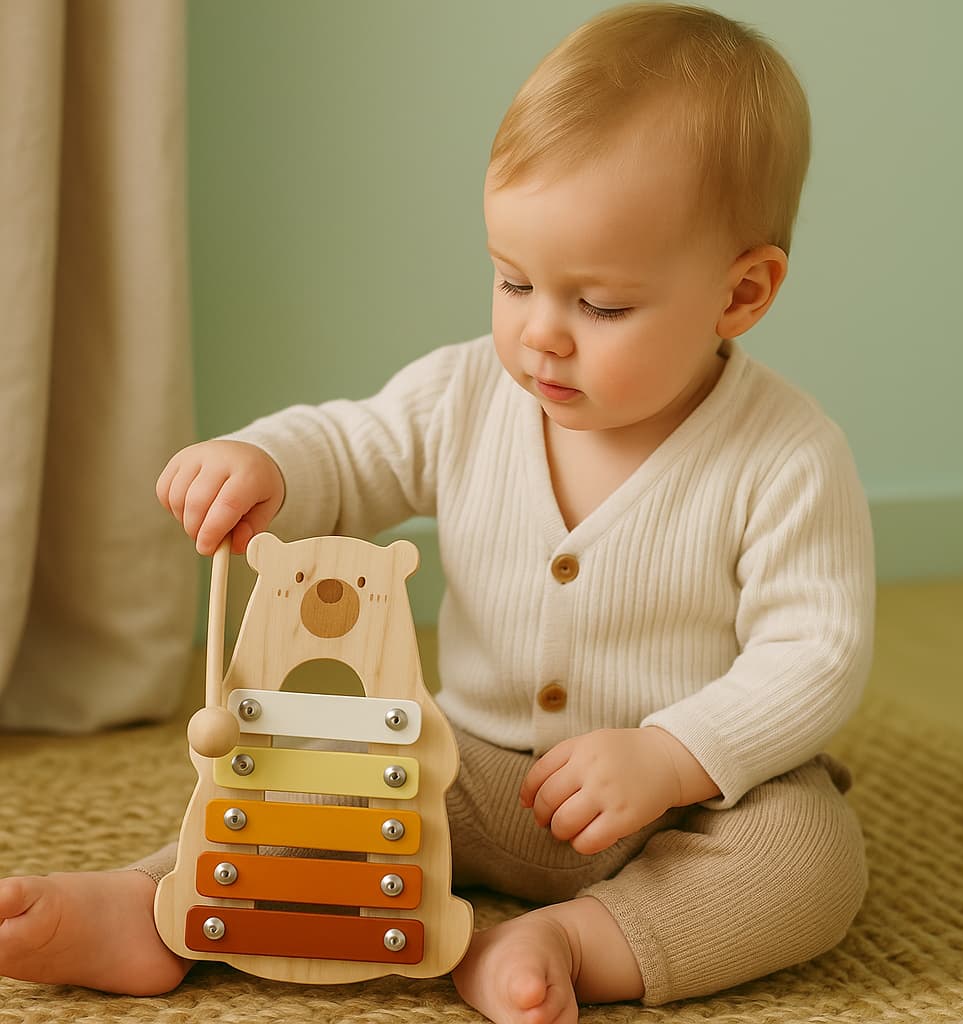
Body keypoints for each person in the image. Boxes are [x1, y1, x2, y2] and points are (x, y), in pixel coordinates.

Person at [0, 4, 874, 1022]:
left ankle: (579, 943)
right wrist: (267, 463)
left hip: (685, 802)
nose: (540, 334)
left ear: (741, 293)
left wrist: (675, 753)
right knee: (309, 765)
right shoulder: (465, 393)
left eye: (600, 305)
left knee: (808, 856)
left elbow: (815, 653)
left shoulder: (785, 454)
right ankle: (160, 903)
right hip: (465, 771)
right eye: (512, 281)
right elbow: (355, 445)